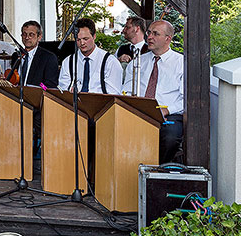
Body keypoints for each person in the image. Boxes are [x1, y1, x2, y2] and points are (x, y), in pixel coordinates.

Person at [0, 20, 59, 146]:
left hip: (35, 105)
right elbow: (16, 80)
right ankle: (1, 148)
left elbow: (50, 86)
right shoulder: (17, 55)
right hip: (16, 100)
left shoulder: (48, 57)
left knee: (36, 119)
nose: (27, 38)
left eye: (31, 34)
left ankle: (34, 150)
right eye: (24, 34)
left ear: (39, 37)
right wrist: (7, 81)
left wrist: (37, 86)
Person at [122, 20, 184, 163]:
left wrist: (167, 110)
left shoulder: (181, 63)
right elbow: (124, 91)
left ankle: (157, 171)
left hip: (168, 114)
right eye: (149, 32)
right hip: (139, 112)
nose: (149, 37)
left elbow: (185, 98)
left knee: (170, 137)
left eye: (155, 34)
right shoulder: (137, 62)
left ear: (168, 38)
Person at [59, 17, 123, 95]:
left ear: (94, 36)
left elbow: (114, 95)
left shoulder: (110, 62)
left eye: (85, 39)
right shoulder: (68, 62)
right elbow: (63, 91)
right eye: (78, 40)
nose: (82, 43)